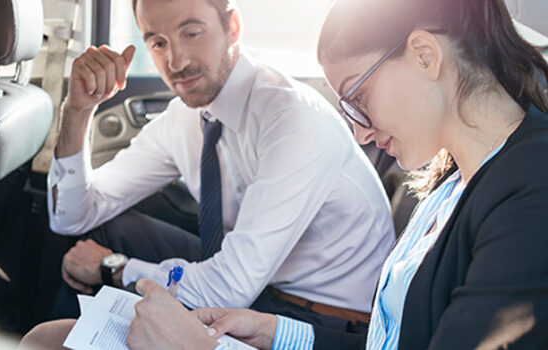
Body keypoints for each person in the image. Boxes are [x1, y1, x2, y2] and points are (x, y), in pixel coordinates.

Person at [24, 0, 548, 348]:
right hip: (281, 305)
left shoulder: (530, 193)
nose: (361, 134)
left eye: (360, 100)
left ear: (425, 55)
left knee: (51, 341)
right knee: (53, 335)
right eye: (156, 42)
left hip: (318, 303)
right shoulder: (452, 179)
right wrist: (276, 333)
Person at [47, 0, 394, 331]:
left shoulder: (291, 119)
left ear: (233, 26)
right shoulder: (185, 119)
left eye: (192, 33)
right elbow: (73, 216)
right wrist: (76, 111)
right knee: (108, 229)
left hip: (319, 316)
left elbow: (227, 290)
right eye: (158, 42)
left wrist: (116, 269)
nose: (176, 61)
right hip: (258, 286)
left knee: (109, 265)